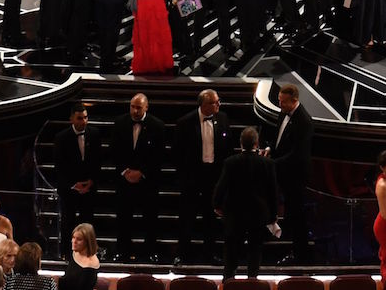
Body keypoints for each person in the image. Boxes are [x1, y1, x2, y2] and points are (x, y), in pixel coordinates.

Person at [176, 90, 231, 264]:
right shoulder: (185, 122)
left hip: (213, 177)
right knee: (187, 217)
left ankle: (210, 254)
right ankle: (183, 254)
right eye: (215, 102)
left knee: (210, 218)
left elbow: (227, 149)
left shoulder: (222, 119)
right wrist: (185, 178)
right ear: (204, 104)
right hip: (192, 177)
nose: (218, 104)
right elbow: (177, 153)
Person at [213, 126, 277, 278]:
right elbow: (273, 191)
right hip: (258, 213)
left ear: (241, 143)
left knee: (231, 247)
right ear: (257, 143)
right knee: (255, 248)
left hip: (234, 212)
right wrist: (273, 214)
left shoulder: (230, 162)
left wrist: (217, 204)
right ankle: (252, 279)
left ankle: (229, 278)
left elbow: (221, 186)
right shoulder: (268, 164)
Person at [111, 94, 165, 263]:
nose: (135, 110)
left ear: (146, 107)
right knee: (123, 218)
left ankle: (149, 252)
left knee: (150, 219)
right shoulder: (119, 123)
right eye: (132, 106)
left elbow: (159, 156)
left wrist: (141, 172)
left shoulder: (158, 126)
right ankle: (122, 251)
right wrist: (125, 171)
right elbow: (114, 150)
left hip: (147, 182)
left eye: (138, 107)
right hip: (124, 180)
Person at [267, 84, 313, 259]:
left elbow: (298, 154)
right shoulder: (283, 113)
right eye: (279, 101)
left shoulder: (304, 122)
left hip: (295, 176)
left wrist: (272, 163)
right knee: (289, 211)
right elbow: (278, 139)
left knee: (297, 214)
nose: (280, 105)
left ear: (294, 101)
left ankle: (300, 252)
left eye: (283, 102)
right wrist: (270, 149)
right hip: (282, 171)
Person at [51, 105, 100, 259]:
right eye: (80, 118)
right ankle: (67, 253)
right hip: (69, 189)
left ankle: (90, 252)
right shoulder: (61, 137)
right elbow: (59, 166)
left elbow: (98, 161)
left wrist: (91, 182)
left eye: (86, 117)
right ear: (71, 118)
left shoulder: (95, 134)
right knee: (68, 222)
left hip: (89, 187)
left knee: (88, 222)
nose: (83, 121)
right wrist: (73, 185)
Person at [61, 223, 99, 290]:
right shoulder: (74, 253)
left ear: (88, 242)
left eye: (79, 239)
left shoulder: (90, 265)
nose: (74, 241)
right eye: (73, 237)